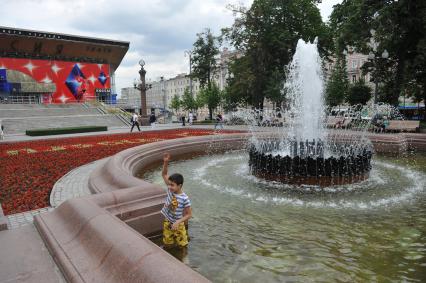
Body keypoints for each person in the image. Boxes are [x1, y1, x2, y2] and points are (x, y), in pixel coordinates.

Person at [161, 153, 192, 249]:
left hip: (178, 224)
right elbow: (164, 174)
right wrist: (166, 162)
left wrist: (178, 222)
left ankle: (183, 259)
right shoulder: (170, 190)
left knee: (183, 244)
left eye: (172, 185)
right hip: (168, 221)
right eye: (169, 184)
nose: (169, 187)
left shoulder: (184, 198)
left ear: (180, 185)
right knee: (168, 243)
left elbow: (189, 214)